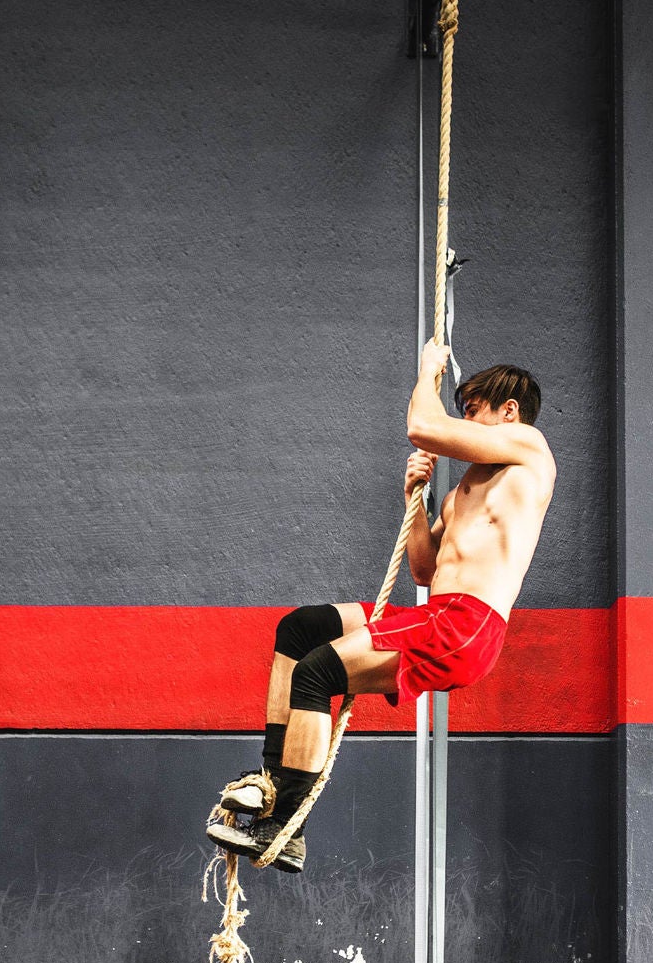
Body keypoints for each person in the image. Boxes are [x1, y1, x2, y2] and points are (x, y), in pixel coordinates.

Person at [208, 340, 556, 872]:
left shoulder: (529, 449)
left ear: (508, 411)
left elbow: (423, 425)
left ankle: (286, 824)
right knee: (301, 630)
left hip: (467, 625)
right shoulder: (463, 493)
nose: (464, 420)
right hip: (435, 612)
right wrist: (414, 498)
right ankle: (271, 786)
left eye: (473, 410)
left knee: (318, 673)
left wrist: (428, 372)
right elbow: (423, 569)